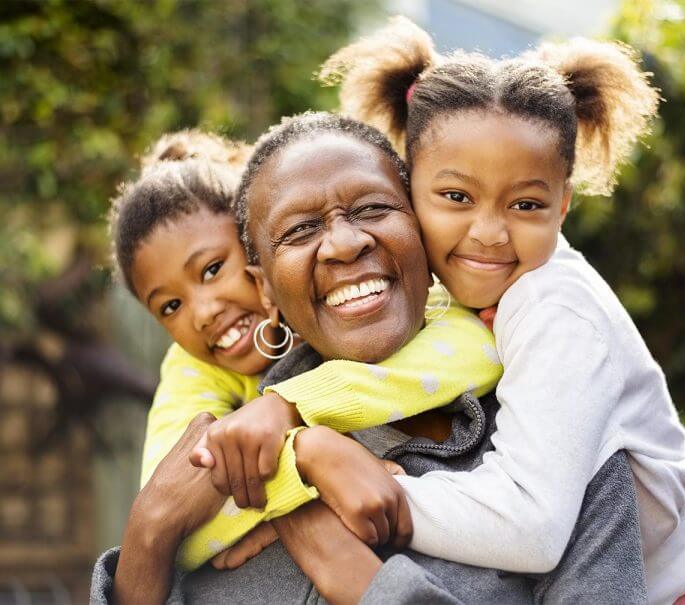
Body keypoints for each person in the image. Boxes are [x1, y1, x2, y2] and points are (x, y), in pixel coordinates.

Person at [91, 112, 648, 604]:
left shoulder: (558, 447)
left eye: (374, 208)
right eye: (301, 229)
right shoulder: (230, 467)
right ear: (265, 288)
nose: (343, 243)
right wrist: (150, 532)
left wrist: (364, 584)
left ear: (424, 231)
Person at [317, 16, 685, 604]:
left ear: (563, 206)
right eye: (456, 197)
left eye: (526, 204)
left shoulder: (553, 306)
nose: (489, 233)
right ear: (406, 184)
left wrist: (379, 490)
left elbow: (532, 527)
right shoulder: (438, 291)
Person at [107, 130, 502, 571]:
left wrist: (292, 408)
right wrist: (304, 471)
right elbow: (170, 504)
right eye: (170, 306)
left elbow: (479, 349)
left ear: (259, 248)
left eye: (214, 268)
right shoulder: (192, 368)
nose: (202, 312)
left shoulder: (397, 297)